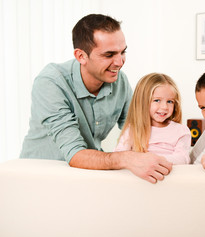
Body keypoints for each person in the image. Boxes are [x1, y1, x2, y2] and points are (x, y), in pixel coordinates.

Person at [20, 14, 172, 183]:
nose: (120, 62)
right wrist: (126, 158)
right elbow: (75, 153)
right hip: (39, 176)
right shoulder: (51, 82)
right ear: (81, 56)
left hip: (86, 174)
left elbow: (139, 127)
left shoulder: (119, 80)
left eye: (123, 52)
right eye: (109, 55)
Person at [114, 73, 191, 164]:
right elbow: (119, 157)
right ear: (142, 102)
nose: (164, 107)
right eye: (157, 100)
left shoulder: (181, 130)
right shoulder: (132, 130)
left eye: (170, 101)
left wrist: (154, 160)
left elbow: (183, 159)